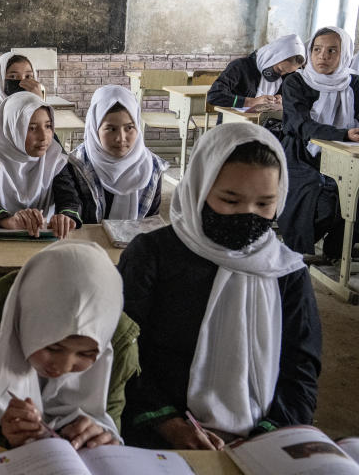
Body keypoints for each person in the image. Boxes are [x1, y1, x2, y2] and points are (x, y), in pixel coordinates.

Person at [119, 123, 321, 450]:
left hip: (259, 441)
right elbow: (124, 356)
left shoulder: (286, 271)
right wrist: (169, 425)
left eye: (264, 204)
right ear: (200, 187)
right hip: (160, 433)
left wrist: (264, 437)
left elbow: (300, 372)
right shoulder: (151, 256)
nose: (247, 214)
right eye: (230, 199)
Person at [0, 241, 138, 448]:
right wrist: (10, 442)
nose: (63, 367)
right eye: (53, 348)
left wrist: (103, 437)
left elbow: (111, 417)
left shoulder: (119, 344)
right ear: (28, 323)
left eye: (86, 354)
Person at [278, 26, 359, 257]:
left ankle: (339, 247)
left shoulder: (354, 83)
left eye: (332, 50)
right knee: (319, 193)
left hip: (345, 152)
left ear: (344, 54)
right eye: (317, 49)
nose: (323, 56)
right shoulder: (297, 82)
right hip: (301, 153)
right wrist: (343, 134)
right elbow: (299, 125)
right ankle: (301, 245)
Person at [0, 93, 81, 239]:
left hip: (46, 236)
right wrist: (9, 221)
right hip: (0, 239)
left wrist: (66, 217)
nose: (44, 136)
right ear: (13, 128)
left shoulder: (54, 158)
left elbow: (69, 198)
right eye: (32, 128)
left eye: (48, 126)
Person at [69, 85, 168, 224]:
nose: (121, 138)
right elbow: (72, 217)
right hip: (86, 242)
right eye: (111, 129)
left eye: (129, 128)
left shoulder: (152, 166)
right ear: (94, 129)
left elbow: (150, 223)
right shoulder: (76, 164)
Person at [206, 34, 305, 109]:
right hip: (233, 127)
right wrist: (250, 102)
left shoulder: (286, 75)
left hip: (263, 128)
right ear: (271, 58)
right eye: (279, 70)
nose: (282, 75)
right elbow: (214, 95)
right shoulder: (240, 66)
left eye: (287, 73)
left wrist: (282, 101)